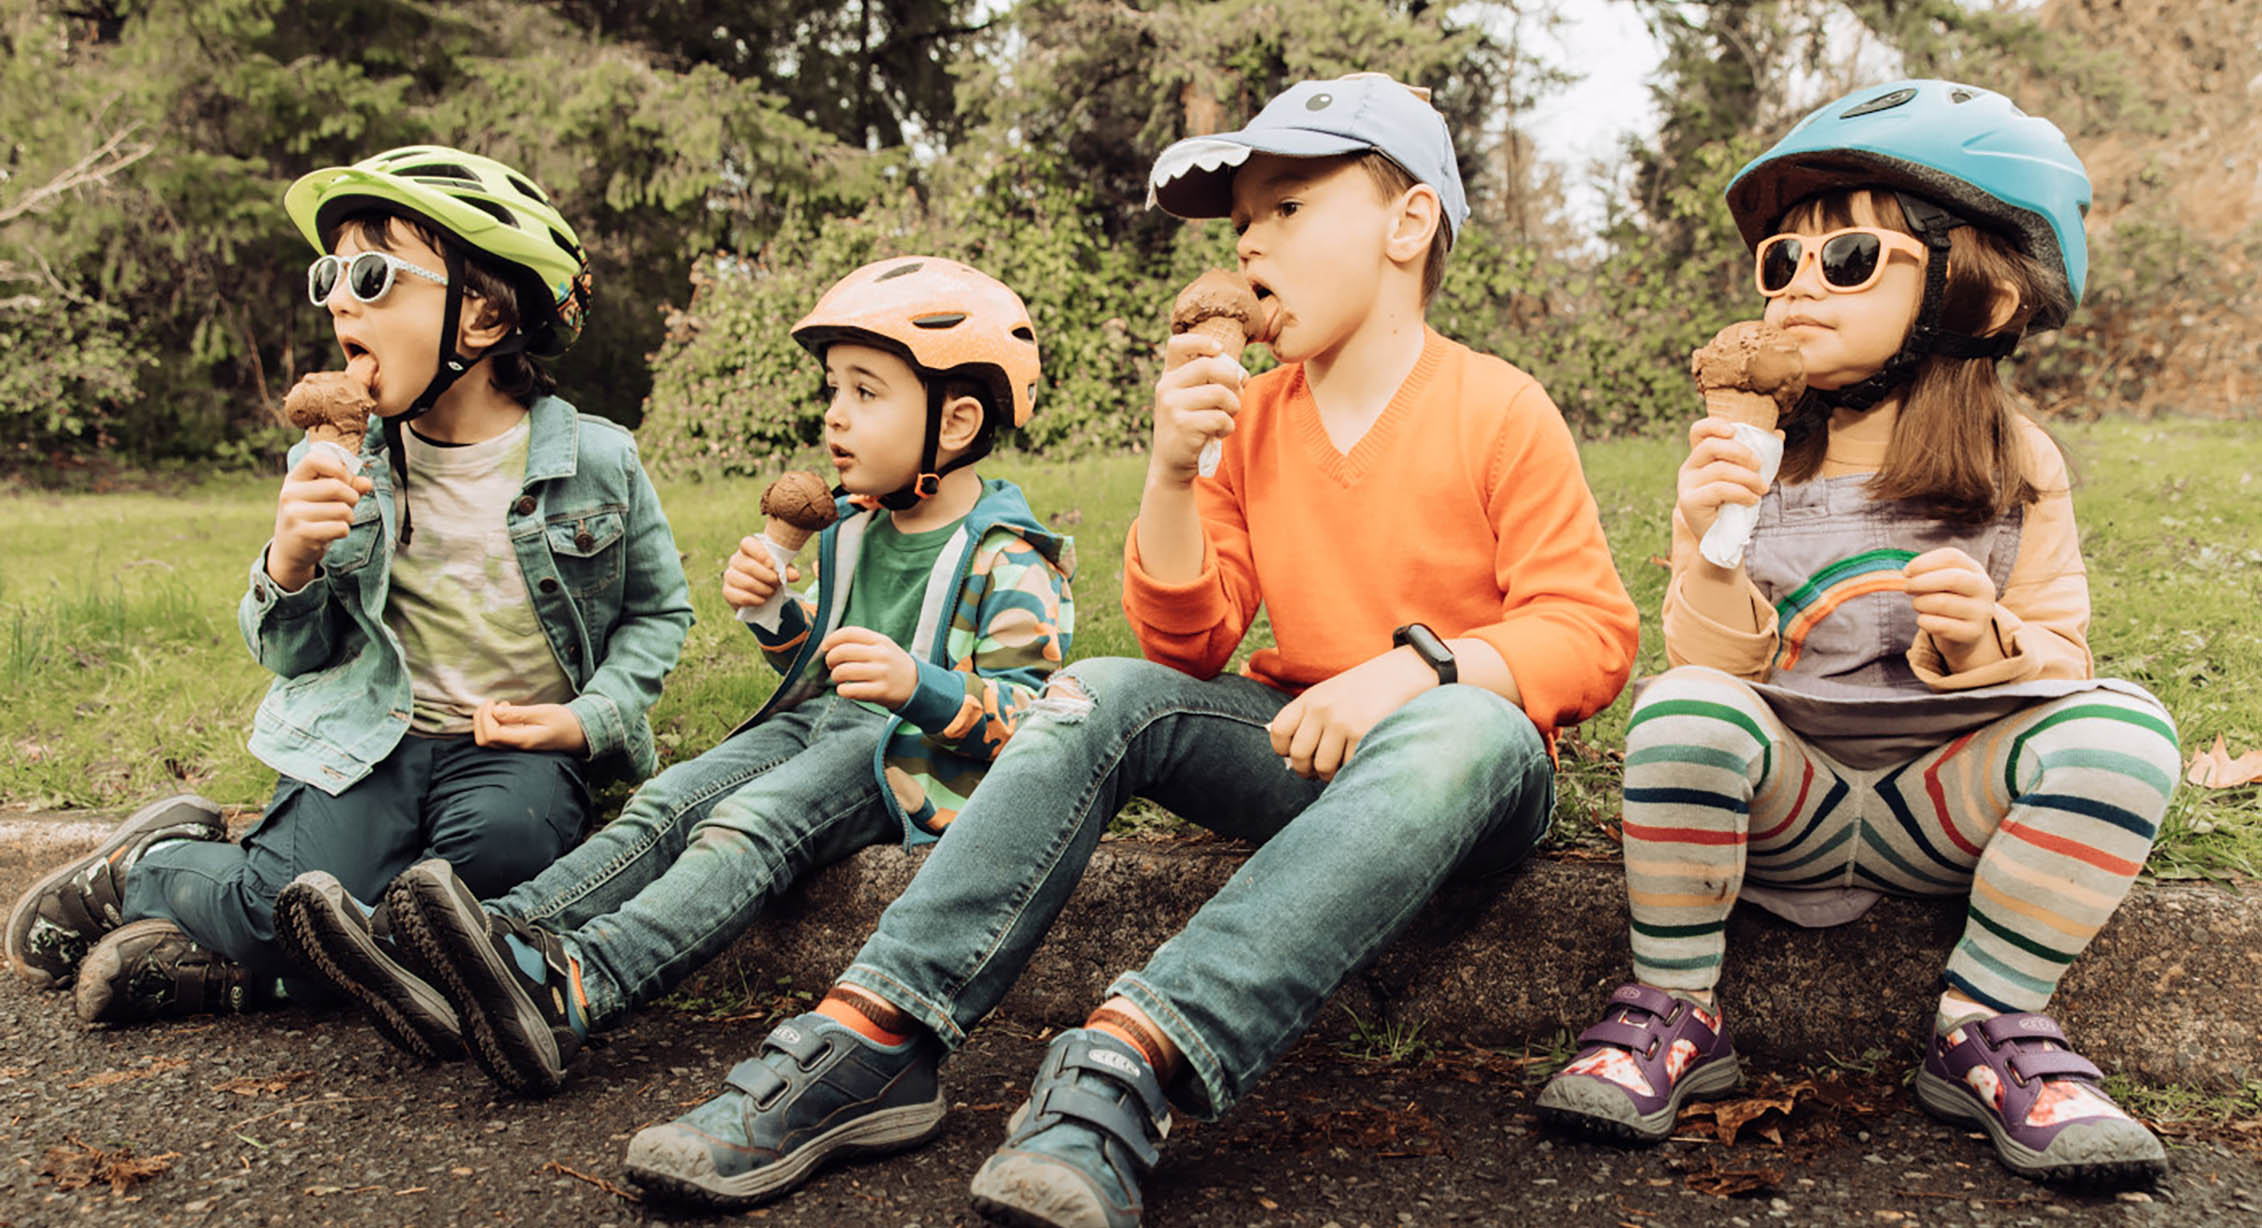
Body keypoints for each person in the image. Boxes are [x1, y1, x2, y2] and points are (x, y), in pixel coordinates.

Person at [620, 73, 1641, 1224]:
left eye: (1288, 208)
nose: (1251, 240)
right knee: (1097, 689)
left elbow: (1590, 630)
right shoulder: (1252, 421)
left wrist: (1412, 670)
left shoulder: (1499, 408)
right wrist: (1169, 473)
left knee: (1462, 722)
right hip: (1297, 756)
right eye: (1242, 218)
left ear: (1408, 226)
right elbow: (1190, 639)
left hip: (1468, 773)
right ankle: (875, 1035)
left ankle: (1132, 1059)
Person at [1534, 80, 2178, 1187]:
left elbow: (2065, 658)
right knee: (1684, 708)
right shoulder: (1754, 455)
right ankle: (1676, 1009)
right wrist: (1710, 535)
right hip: (1794, 799)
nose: (1794, 288)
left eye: (1846, 260)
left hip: (1946, 802)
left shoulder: (2017, 465)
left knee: (2128, 731)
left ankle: (1988, 1025)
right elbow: (1712, 670)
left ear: (1973, 300)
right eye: (1778, 262)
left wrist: (1983, 643)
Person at [269, 256, 1075, 1098]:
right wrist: (778, 618)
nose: (835, 418)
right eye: (833, 391)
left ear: (956, 423)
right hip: (822, 726)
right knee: (671, 800)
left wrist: (920, 685)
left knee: (749, 825)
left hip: (902, 759)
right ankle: (472, 945)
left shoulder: (1010, 556)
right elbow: (821, 665)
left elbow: (1031, 721)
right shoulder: (853, 526)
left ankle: (581, 983)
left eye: (866, 394)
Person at [3, 146, 694, 1027]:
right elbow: (296, 652)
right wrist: (288, 561)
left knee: (493, 885)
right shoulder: (337, 463)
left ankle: (241, 980)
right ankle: (150, 867)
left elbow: (658, 613)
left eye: (372, 275)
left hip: (512, 752)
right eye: (329, 274)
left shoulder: (598, 460)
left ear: (481, 316)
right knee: (282, 900)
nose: (337, 299)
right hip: (372, 737)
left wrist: (587, 719)